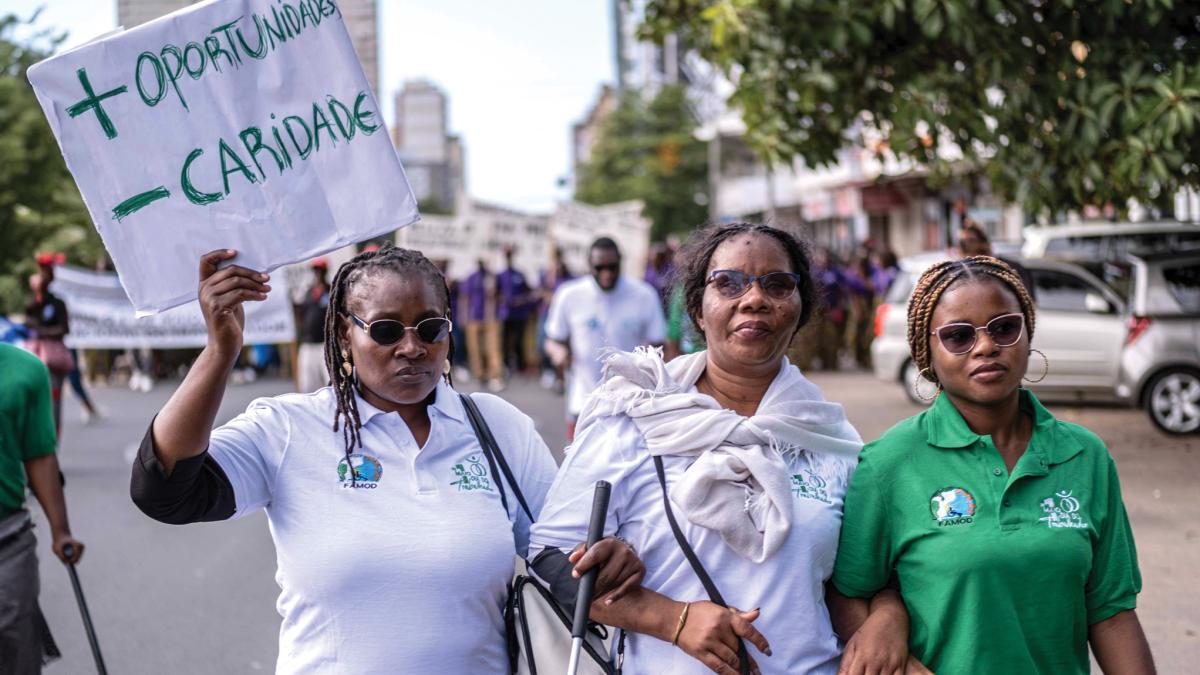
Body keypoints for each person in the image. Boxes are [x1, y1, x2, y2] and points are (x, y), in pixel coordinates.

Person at [129, 245, 642, 673]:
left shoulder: (498, 427)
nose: (412, 347)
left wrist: (607, 560)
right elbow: (165, 491)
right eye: (387, 330)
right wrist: (221, 351)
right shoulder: (287, 428)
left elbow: (559, 561)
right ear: (344, 336)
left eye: (430, 327)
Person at [530, 223, 907, 674]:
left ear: (800, 308)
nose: (753, 299)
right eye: (727, 283)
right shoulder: (633, 418)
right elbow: (546, 557)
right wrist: (672, 619)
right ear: (697, 310)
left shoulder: (832, 438)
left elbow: (861, 578)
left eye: (778, 284)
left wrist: (890, 617)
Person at [833, 256, 1156, 674]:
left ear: (1027, 332)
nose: (986, 346)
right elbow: (847, 594)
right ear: (926, 353)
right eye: (958, 336)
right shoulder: (889, 462)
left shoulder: (1086, 456)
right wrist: (892, 638)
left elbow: (1111, 613)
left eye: (1004, 328)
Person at [0, 342, 84, 672]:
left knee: (15, 653)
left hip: (7, 542)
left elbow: (39, 453)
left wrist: (60, 531)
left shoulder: (24, 370)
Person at [544, 237, 667, 441]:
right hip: (582, 403)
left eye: (612, 267)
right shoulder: (569, 295)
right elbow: (552, 339)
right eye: (599, 267)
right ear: (589, 265)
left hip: (631, 405)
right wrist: (559, 352)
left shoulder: (644, 295)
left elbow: (659, 343)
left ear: (621, 262)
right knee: (580, 468)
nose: (607, 274)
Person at [24, 270, 72, 435]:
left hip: (52, 359)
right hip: (33, 358)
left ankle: (52, 440)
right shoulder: (32, 304)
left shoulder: (57, 304)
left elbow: (64, 328)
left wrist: (43, 332)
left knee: (53, 401)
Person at [463, 258, 504, 392]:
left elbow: (500, 296)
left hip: (490, 317)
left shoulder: (493, 278)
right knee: (475, 349)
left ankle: (494, 376)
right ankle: (479, 374)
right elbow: (465, 297)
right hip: (474, 317)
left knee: (493, 348)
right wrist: (464, 315)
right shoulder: (471, 277)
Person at [294, 257, 331, 392]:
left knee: (330, 382)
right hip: (308, 344)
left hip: (325, 344)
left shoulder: (331, 290)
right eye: (315, 270)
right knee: (308, 385)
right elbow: (301, 312)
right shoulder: (308, 292)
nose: (318, 273)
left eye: (320, 270)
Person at [496, 245, 533, 377]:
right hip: (505, 313)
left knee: (519, 340)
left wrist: (521, 300)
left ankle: (520, 366)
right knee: (504, 341)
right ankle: (505, 365)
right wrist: (501, 299)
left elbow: (529, 292)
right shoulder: (500, 275)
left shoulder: (520, 274)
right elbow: (495, 293)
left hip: (519, 314)